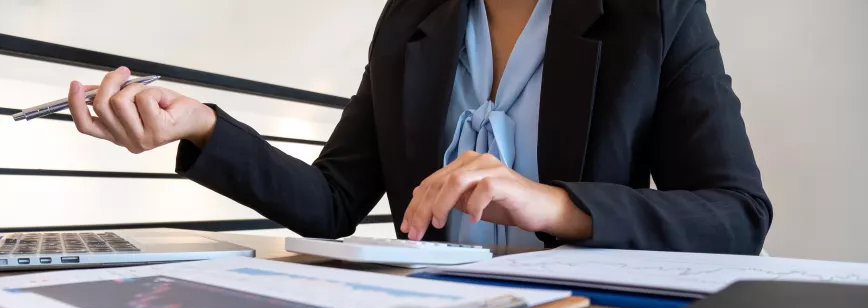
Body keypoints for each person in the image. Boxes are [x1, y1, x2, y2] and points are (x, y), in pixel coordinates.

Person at [68, 0, 772, 253]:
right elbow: (332, 201)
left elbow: (737, 215)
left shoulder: (655, 13)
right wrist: (202, 128)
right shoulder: (410, 20)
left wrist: (556, 204)